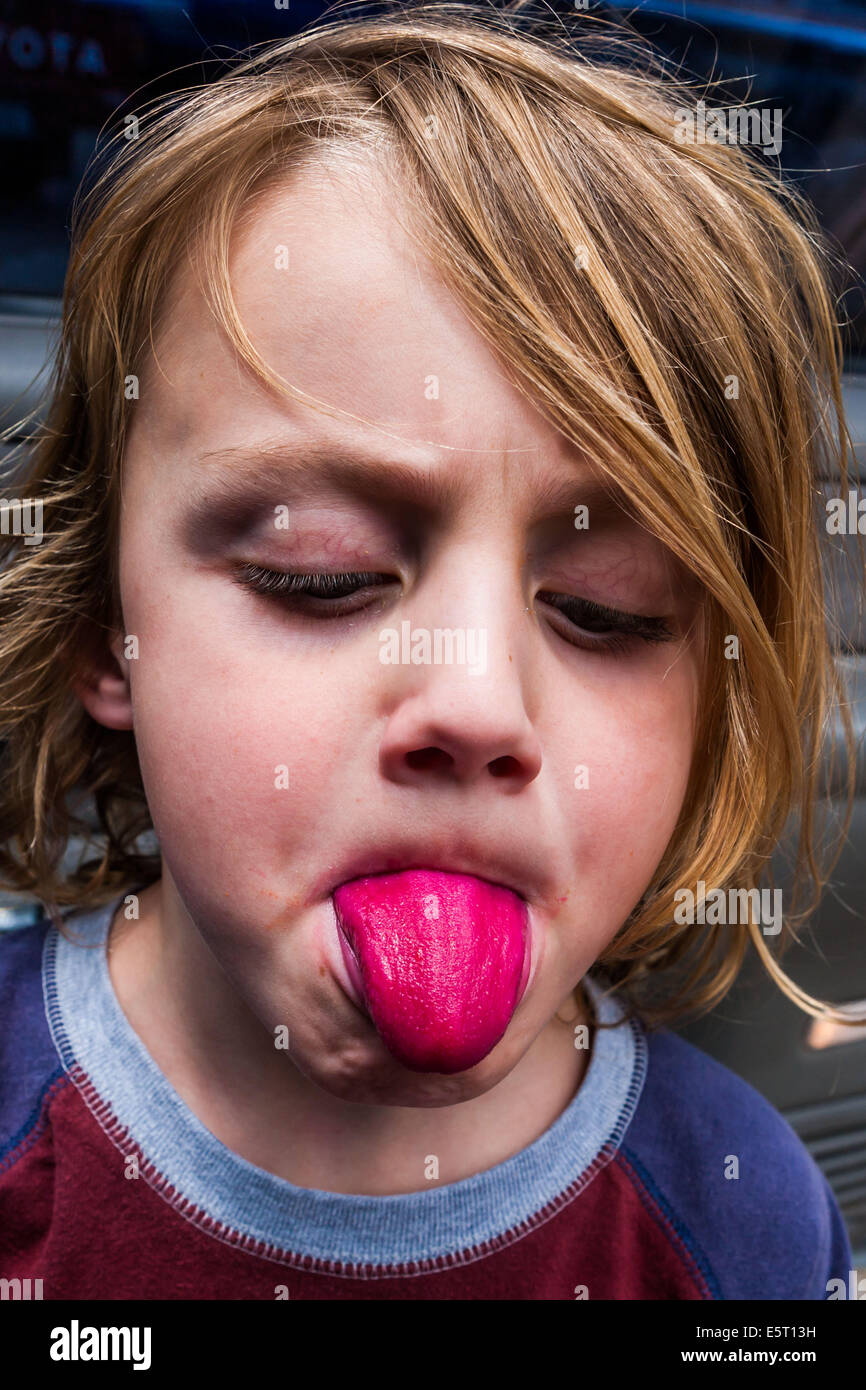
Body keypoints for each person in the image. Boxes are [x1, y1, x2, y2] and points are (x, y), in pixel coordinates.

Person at [0, 2, 861, 1299]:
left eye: (608, 608)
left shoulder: (740, 1224)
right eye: (319, 572)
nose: (473, 700)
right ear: (101, 631)